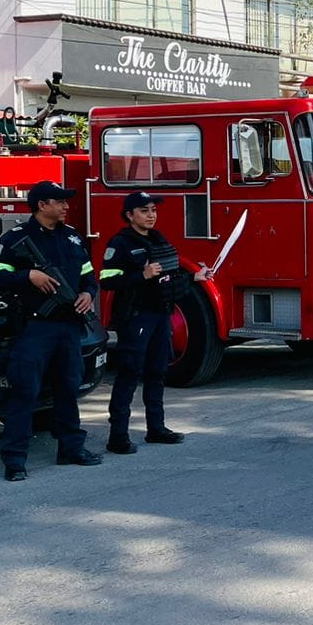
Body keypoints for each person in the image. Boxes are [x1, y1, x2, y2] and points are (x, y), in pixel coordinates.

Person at [0, 180, 103, 481]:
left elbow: (89, 276)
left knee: (68, 387)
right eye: (59, 201)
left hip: (68, 325)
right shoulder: (16, 238)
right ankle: (15, 460)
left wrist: (88, 294)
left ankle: (71, 448)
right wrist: (29, 276)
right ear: (42, 205)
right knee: (25, 391)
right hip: (34, 326)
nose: (66, 205)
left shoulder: (73, 237)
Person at [97, 191, 207, 454]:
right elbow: (107, 280)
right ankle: (118, 436)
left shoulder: (159, 239)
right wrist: (141, 274)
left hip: (160, 316)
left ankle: (156, 428)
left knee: (157, 372)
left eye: (153, 211)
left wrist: (196, 278)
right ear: (130, 215)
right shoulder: (121, 243)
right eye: (144, 211)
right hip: (136, 318)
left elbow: (168, 278)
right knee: (129, 374)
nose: (151, 215)